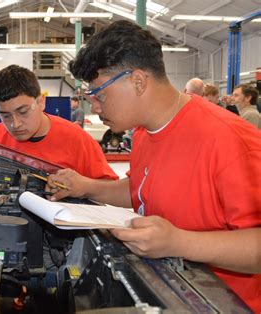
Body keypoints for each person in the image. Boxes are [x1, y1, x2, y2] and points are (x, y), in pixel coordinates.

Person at [46, 20, 261, 312]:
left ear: (137, 80)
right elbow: (142, 189)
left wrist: (178, 242)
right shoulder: (145, 133)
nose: (94, 107)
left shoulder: (232, 141)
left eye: (99, 95)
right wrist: (87, 187)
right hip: (164, 292)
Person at [0, 65, 118, 180]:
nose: (16, 124)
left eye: (23, 112)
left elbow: (109, 188)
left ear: (41, 102)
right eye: (5, 115)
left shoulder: (77, 140)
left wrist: (83, 188)